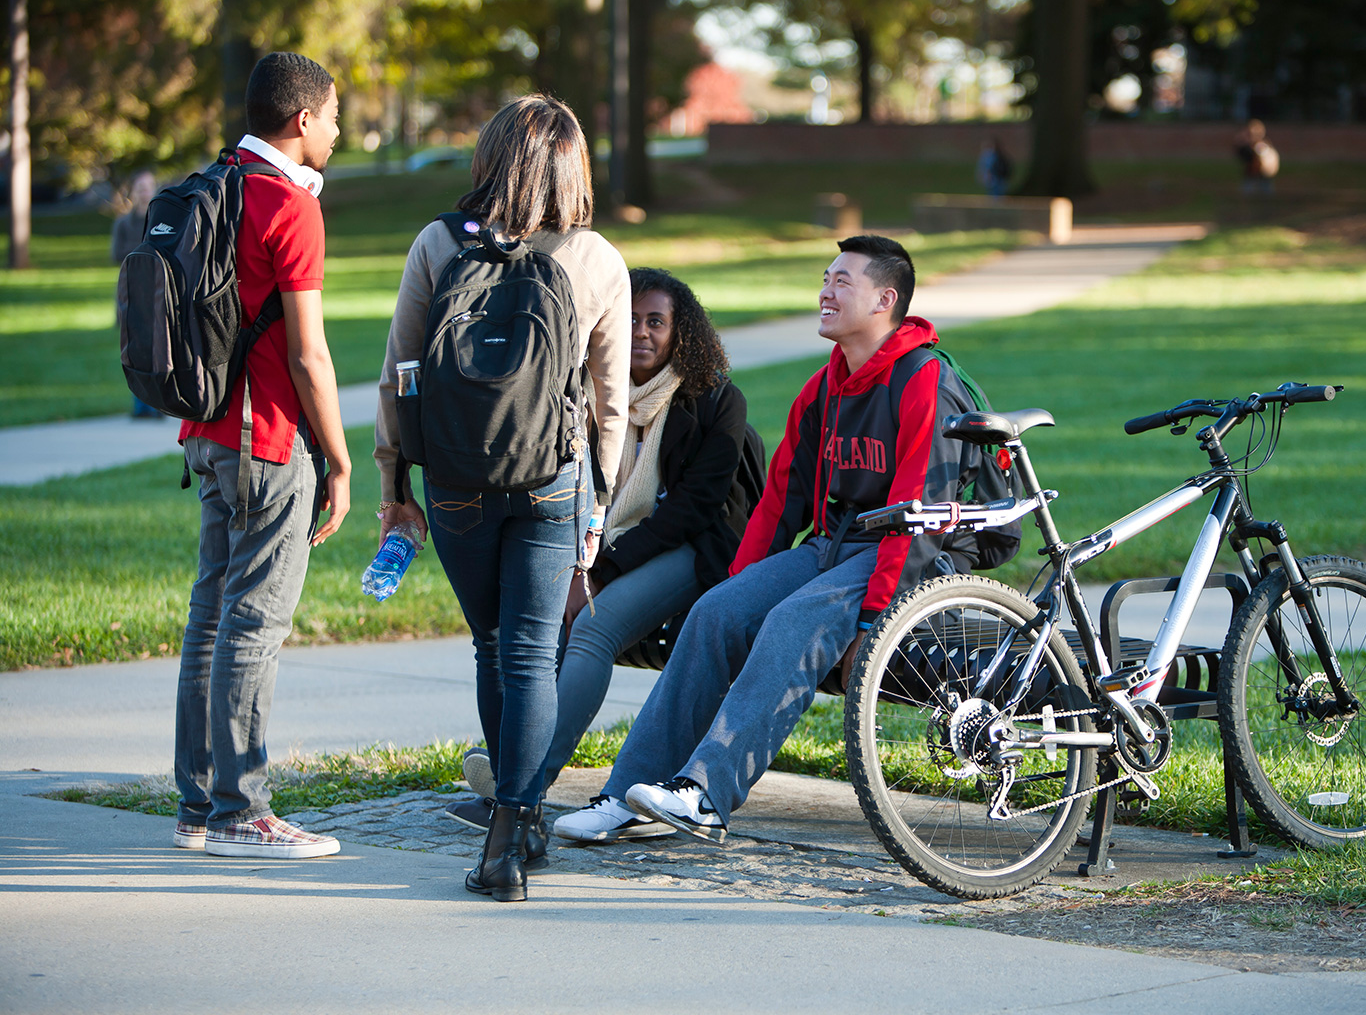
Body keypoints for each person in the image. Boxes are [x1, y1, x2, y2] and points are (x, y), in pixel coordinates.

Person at [554, 233, 995, 846]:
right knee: (716, 612)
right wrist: (742, 589)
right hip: (845, 540)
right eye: (825, 277)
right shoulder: (825, 387)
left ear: (884, 300)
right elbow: (778, 502)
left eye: (843, 281)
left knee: (796, 619)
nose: (825, 289)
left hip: (927, 549)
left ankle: (706, 793)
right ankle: (631, 795)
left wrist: (873, 620)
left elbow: (923, 516)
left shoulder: (924, 380)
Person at [374, 94, 630, 901]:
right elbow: (611, 400)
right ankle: (513, 832)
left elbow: (398, 374)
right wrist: (600, 499)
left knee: (493, 648)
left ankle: (506, 828)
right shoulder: (596, 259)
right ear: (572, 167)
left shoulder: (437, 241)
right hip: (555, 477)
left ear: (489, 156)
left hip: (454, 481)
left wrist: (394, 484)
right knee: (530, 653)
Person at [451, 267, 752, 839]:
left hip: (693, 551)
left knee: (592, 625)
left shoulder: (715, 402)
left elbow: (693, 509)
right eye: (631, 319)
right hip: (599, 548)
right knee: (539, 626)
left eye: (656, 322)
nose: (641, 332)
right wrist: (574, 561)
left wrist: (597, 569)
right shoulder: (586, 397)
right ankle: (512, 770)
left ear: (681, 333)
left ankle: (522, 793)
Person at [173, 52, 351, 859]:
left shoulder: (217, 184)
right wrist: (342, 463)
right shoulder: (289, 205)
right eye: (335, 115)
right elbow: (311, 356)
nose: (341, 130)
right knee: (255, 624)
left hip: (206, 434)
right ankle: (242, 811)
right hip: (268, 437)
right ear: (303, 119)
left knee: (210, 620)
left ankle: (197, 805)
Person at [112, 171, 164, 417]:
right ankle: (139, 406)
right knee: (134, 351)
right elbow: (116, 254)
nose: (144, 193)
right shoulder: (123, 223)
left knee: (158, 350)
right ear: (133, 192)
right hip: (132, 293)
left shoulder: (161, 219)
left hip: (157, 293)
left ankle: (156, 404)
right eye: (140, 188)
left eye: (148, 187)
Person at [1235, 119, 1279, 194]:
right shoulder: (1251, 146)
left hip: (1262, 172)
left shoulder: (1261, 146)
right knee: (1249, 189)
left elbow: (1265, 161)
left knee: (1264, 190)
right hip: (1254, 172)